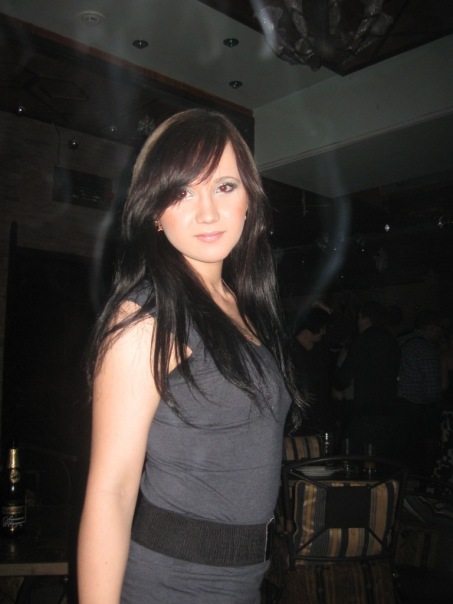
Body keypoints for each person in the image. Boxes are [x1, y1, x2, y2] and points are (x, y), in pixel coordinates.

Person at [77, 109, 300, 604]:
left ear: (249, 199)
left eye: (224, 186)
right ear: (155, 211)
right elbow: (112, 492)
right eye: (182, 192)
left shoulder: (241, 306)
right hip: (173, 583)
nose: (208, 213)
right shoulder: (147, 318)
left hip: (245, 580)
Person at [333, 301, 401, 457]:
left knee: (355, 456)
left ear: (367, 319)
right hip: (389, 409)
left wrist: (337, 383)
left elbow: (344, 376)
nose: (357, 321)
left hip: (365, 410)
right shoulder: (392, 341)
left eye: (359, 317)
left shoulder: (362, 341)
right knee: (382, 458)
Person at [397, 309, 443, 472]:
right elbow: (432, 389)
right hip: (414, 407)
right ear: (431, 327)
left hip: (396, 401)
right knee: (418, 453)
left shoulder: (402, 341)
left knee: (402, 452)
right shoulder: (425, 348)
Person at [285, 306, 334, 435]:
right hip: (301, 416)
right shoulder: (291, 350)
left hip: (321, 412)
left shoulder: (320, 348)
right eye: (322, 328)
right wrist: (299, 392)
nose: (324, 332)